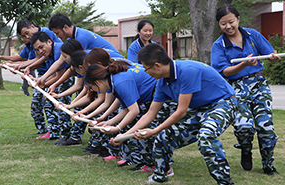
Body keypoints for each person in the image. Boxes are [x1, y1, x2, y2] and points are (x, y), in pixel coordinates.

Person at [119, 43, 238, 184]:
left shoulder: (187, 70)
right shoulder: (162, 83)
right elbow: (150, 113)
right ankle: (160, 175)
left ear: (157, 65)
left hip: (223, 103)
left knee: (206, 136)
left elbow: (181, 111)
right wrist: (124, 135)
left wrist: (155, 130)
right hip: (200, 109)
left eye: (146, 69)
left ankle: (225, 182)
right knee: (163, 135)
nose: (146, 73)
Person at [211, 4, 280, 175]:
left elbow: (269, 53)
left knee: (266, 128)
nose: (228, 26)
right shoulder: (218, 45)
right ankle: (246, 150)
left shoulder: (252, 35)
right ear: (219, 25)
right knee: (244, 126)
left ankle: (268, 164)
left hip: (259, 84)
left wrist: (273, 57)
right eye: (223, 23)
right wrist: (243, 64)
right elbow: (224, 72)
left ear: (238, 19)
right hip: (235, 88)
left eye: (231, 22)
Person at [83, 49, 159, 172]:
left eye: (92, 87)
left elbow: (134, 111)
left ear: (97, 81)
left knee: (145, 129)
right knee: (136, 128)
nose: (95, 91)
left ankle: (157, 164)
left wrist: (118, 129)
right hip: (147, 98)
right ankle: (147, 163)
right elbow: (125, 110)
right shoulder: (112, 82)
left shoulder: (120, 82)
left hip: (157, 94)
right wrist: (108, 123)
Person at [0, 20, 62, 136]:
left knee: (52, 104)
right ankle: (45, 130)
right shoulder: (30, 44)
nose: (26, 37)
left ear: (32, 26)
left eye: (27, 33)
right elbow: (24, 58)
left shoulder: (46, 33)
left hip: (54, 73)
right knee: (37, 106)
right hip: (44, 75)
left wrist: (23, 66)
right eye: (22, 36)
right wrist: (7, 61)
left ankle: (57, 132)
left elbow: (42, 59)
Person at [35, 13, 121, 88]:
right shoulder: (72, 39)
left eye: (57, 33)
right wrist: (43, 79)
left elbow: (73, 66)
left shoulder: (81, 38)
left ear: (65, 27)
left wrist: (54, 83)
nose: (57, 37)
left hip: (116, 65)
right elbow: (60, 60)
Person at [29, 32, 73, 142]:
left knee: (60, 104)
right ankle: (54, 133)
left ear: (49, 41)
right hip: (57, 79)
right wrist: (38, 80)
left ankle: (66, 135)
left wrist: (42, 83)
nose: (40, 51)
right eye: (37, 50)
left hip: (66, 79)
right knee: (48, 104)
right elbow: (52, 74)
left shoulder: (59, 50)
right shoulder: (49, 53)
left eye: (41, 47)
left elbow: (60, 75)